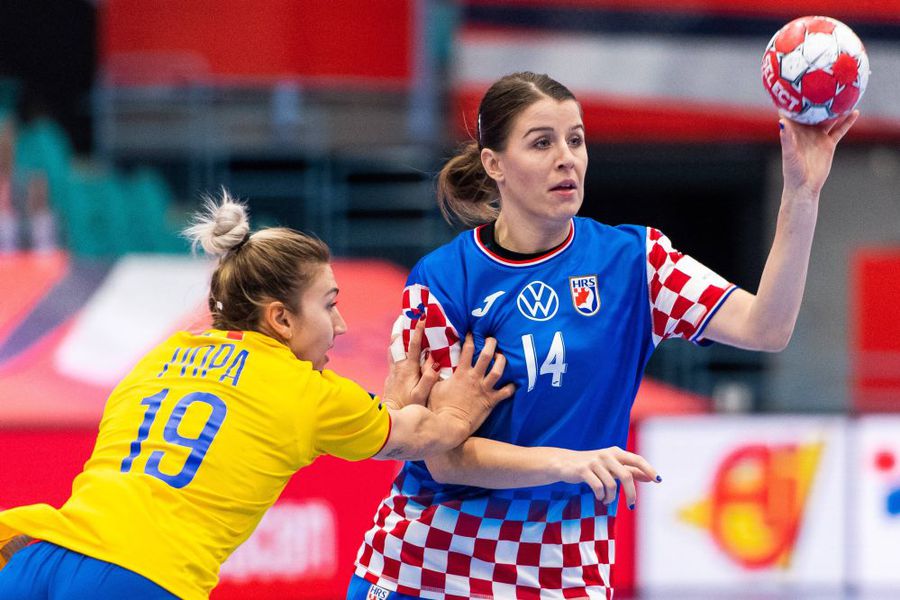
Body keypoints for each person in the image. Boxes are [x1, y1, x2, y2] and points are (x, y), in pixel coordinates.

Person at [348, 71, 857, 599]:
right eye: (541, 142)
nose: (566, 157)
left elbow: (767, 327)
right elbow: (441, 457)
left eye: (576, 139)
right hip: (422, 573)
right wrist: (569, 462)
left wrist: (801, 195)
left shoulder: (636, 263)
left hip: (564, 576)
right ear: (494, 164)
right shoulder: (443, 281)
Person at [0, 191, 514, 600]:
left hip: (38, 556)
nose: (340, 324)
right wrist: (463, 402)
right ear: (282, 319)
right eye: (329, 305)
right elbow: (424, 436)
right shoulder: (304, 390)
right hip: (140, 579)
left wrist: (392, 404)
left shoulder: (161, 355)